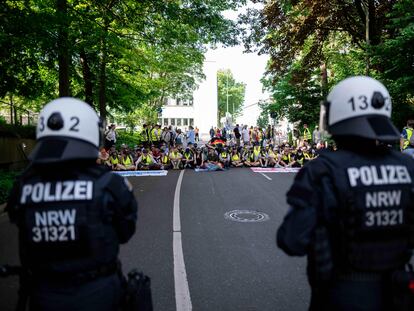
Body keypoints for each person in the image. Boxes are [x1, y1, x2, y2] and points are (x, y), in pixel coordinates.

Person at [277, 76, 414, 310]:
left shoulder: (323, 170)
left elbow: (292, 240)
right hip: (399, 292)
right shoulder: (408, 167)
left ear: (337, 114)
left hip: (342, 293)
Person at [5, 98, 138, 311]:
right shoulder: (109, 184)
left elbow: (17, 220)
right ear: (89, 132)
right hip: (100, 294)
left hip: (42, 296)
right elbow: (125, 232)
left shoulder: (22, 188)